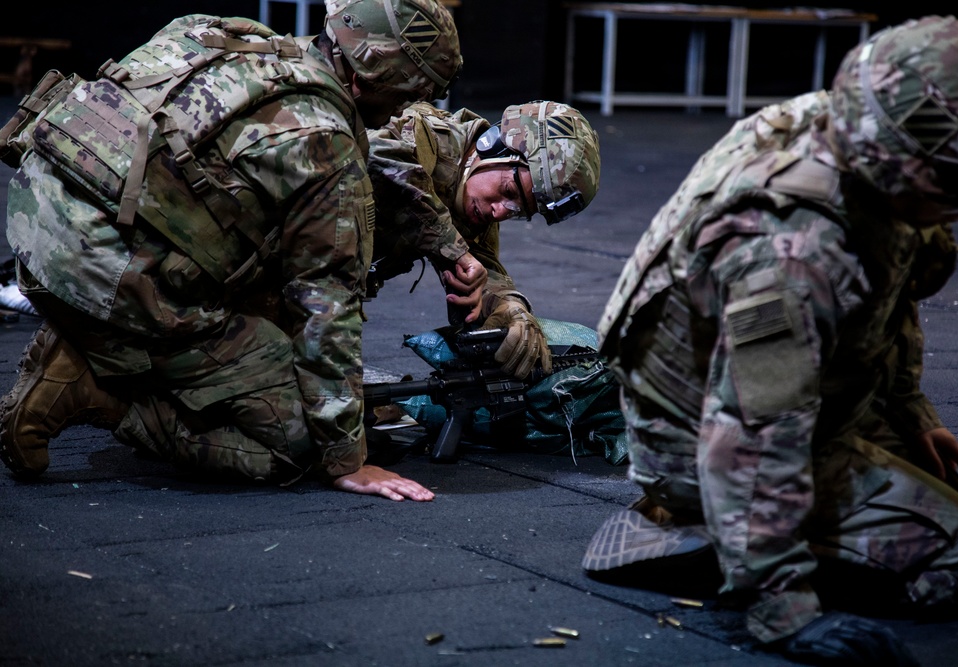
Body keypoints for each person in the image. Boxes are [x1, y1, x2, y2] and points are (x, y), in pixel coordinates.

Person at [582, 15, 958, 665]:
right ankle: (699, 536)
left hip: (783, 393)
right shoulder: (789, 250)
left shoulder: (852, 133)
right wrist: (782, 607)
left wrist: (910, 415)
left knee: (942, 492)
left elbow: (887, 293)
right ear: (910, 167)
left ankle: (744, 530)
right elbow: (755, 426)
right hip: (704, 439)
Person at [0, 0, 462, 502]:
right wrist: (346, 458)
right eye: (414, 90)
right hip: (104, 281)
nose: (411, 107)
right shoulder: (325, 144)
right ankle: (99, 389)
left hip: (33, 224)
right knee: (295, 445)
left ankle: (103, 342)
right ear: (374, 74)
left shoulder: (216, 32)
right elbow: (326, 307)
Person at [366, 100, 601, 379]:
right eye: (508, 190)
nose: (500, 211)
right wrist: (451, 248)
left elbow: (483, 270)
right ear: (491, 145)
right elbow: (373, 156)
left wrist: (512, 311)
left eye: (518, 211)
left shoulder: (475, 202)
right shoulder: (426, 136)